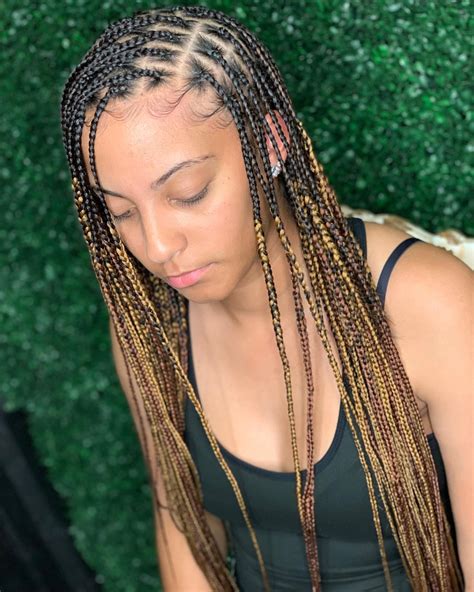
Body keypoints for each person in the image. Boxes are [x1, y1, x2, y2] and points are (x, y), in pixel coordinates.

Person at [60, 6, 472, 591]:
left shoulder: (429, 303)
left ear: (271, 142)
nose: (157, 246)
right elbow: (180, 526)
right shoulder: (150, 324)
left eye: (188, 193)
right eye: (120, 211)